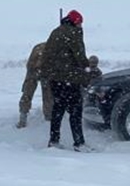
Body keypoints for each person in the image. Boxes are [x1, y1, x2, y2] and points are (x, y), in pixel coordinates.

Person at [38, 9, 96, 150]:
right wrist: (87, 70)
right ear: (75, 22)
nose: (81, 26)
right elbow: (80, 56)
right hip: (69, 78)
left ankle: (54, 141)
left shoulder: (57, 31)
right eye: (80, 23)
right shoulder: (73, 33)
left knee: (58, 109)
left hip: (55, 78)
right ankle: (79, 142)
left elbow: (48, 55)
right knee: (76, 110)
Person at [17, 41, 53, 128]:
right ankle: (48, 117)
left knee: (28, 92)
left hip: (34, 69)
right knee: (47, 95)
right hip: (42, 70)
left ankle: (23, 116)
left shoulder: (40, 47)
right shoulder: (55, 49)